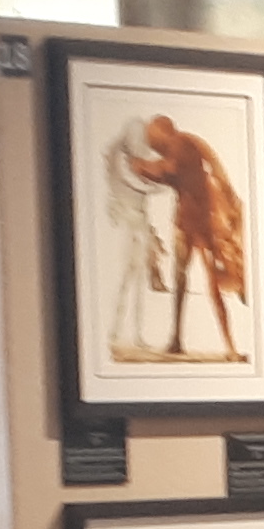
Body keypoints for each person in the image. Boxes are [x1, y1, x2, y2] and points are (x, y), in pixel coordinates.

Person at [109, 111, 250, 363]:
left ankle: (228, 345)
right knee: (180, 278)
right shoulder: (182, 147)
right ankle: (177, 339)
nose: (153, 145)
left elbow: (170, 171)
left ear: (163, 132)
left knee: (209, 282)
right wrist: (144, 169)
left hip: (204, 224)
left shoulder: (182, 144)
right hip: (185, 222)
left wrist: (141, 167)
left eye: (153, 139)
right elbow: (171, 174)